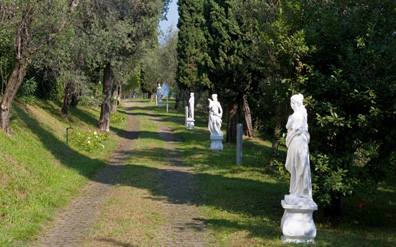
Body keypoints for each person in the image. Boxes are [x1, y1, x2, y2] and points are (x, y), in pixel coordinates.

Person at [285, 94, 313, 201]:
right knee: (294, 165)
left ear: (298, 103)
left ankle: (301, 191)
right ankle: (295, 191)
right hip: (294, 141)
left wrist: (298, 130)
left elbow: (302, 130)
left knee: (300, 164)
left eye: (294, 103)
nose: (292, 105)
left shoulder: (301, 115)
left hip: (300, 142)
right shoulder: (293, 116)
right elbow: (288, 127)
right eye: (291, 103)